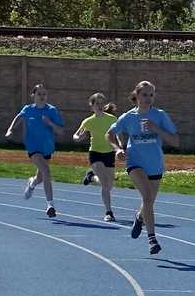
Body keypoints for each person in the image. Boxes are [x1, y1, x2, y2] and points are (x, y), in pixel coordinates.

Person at [105, 80, 180, 254]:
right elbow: (109, 134)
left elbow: (176, 141)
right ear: (137, 95)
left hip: (155, 164)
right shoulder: (128, 117)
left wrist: (157, 129)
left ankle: (140, 217)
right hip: (135, 162)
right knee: (147, 198)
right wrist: (117, 149)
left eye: (151, 95)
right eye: (144, 95)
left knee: (148, 203)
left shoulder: (160, 115)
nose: (148, 98)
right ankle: (152, 239)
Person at [5, 83, 65, 217]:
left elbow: (60, 131)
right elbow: (18, 118)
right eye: (39, 94)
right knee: (46, 171)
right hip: (33, 147)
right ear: (33, 95)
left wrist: (50, 123)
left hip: (47, 148)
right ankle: (50, 205)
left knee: (41, 177)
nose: (42, 97)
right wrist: (10, 130)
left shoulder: (52, 111)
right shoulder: (28, 109)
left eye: (44, 94)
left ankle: (32, 183)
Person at [73, 93, 119, 222]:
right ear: (91, 106)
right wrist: (79, 138)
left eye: (101, 103)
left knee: (109, 186)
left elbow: (118, 135)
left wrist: (120, 147)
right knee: (105, 184)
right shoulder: (88, 121)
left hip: (109, 153)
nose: (99, 106)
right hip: (95, 153)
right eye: (96, 103)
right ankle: (109, 212)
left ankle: (91, 177)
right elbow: (75, 136)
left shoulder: (112, 119)